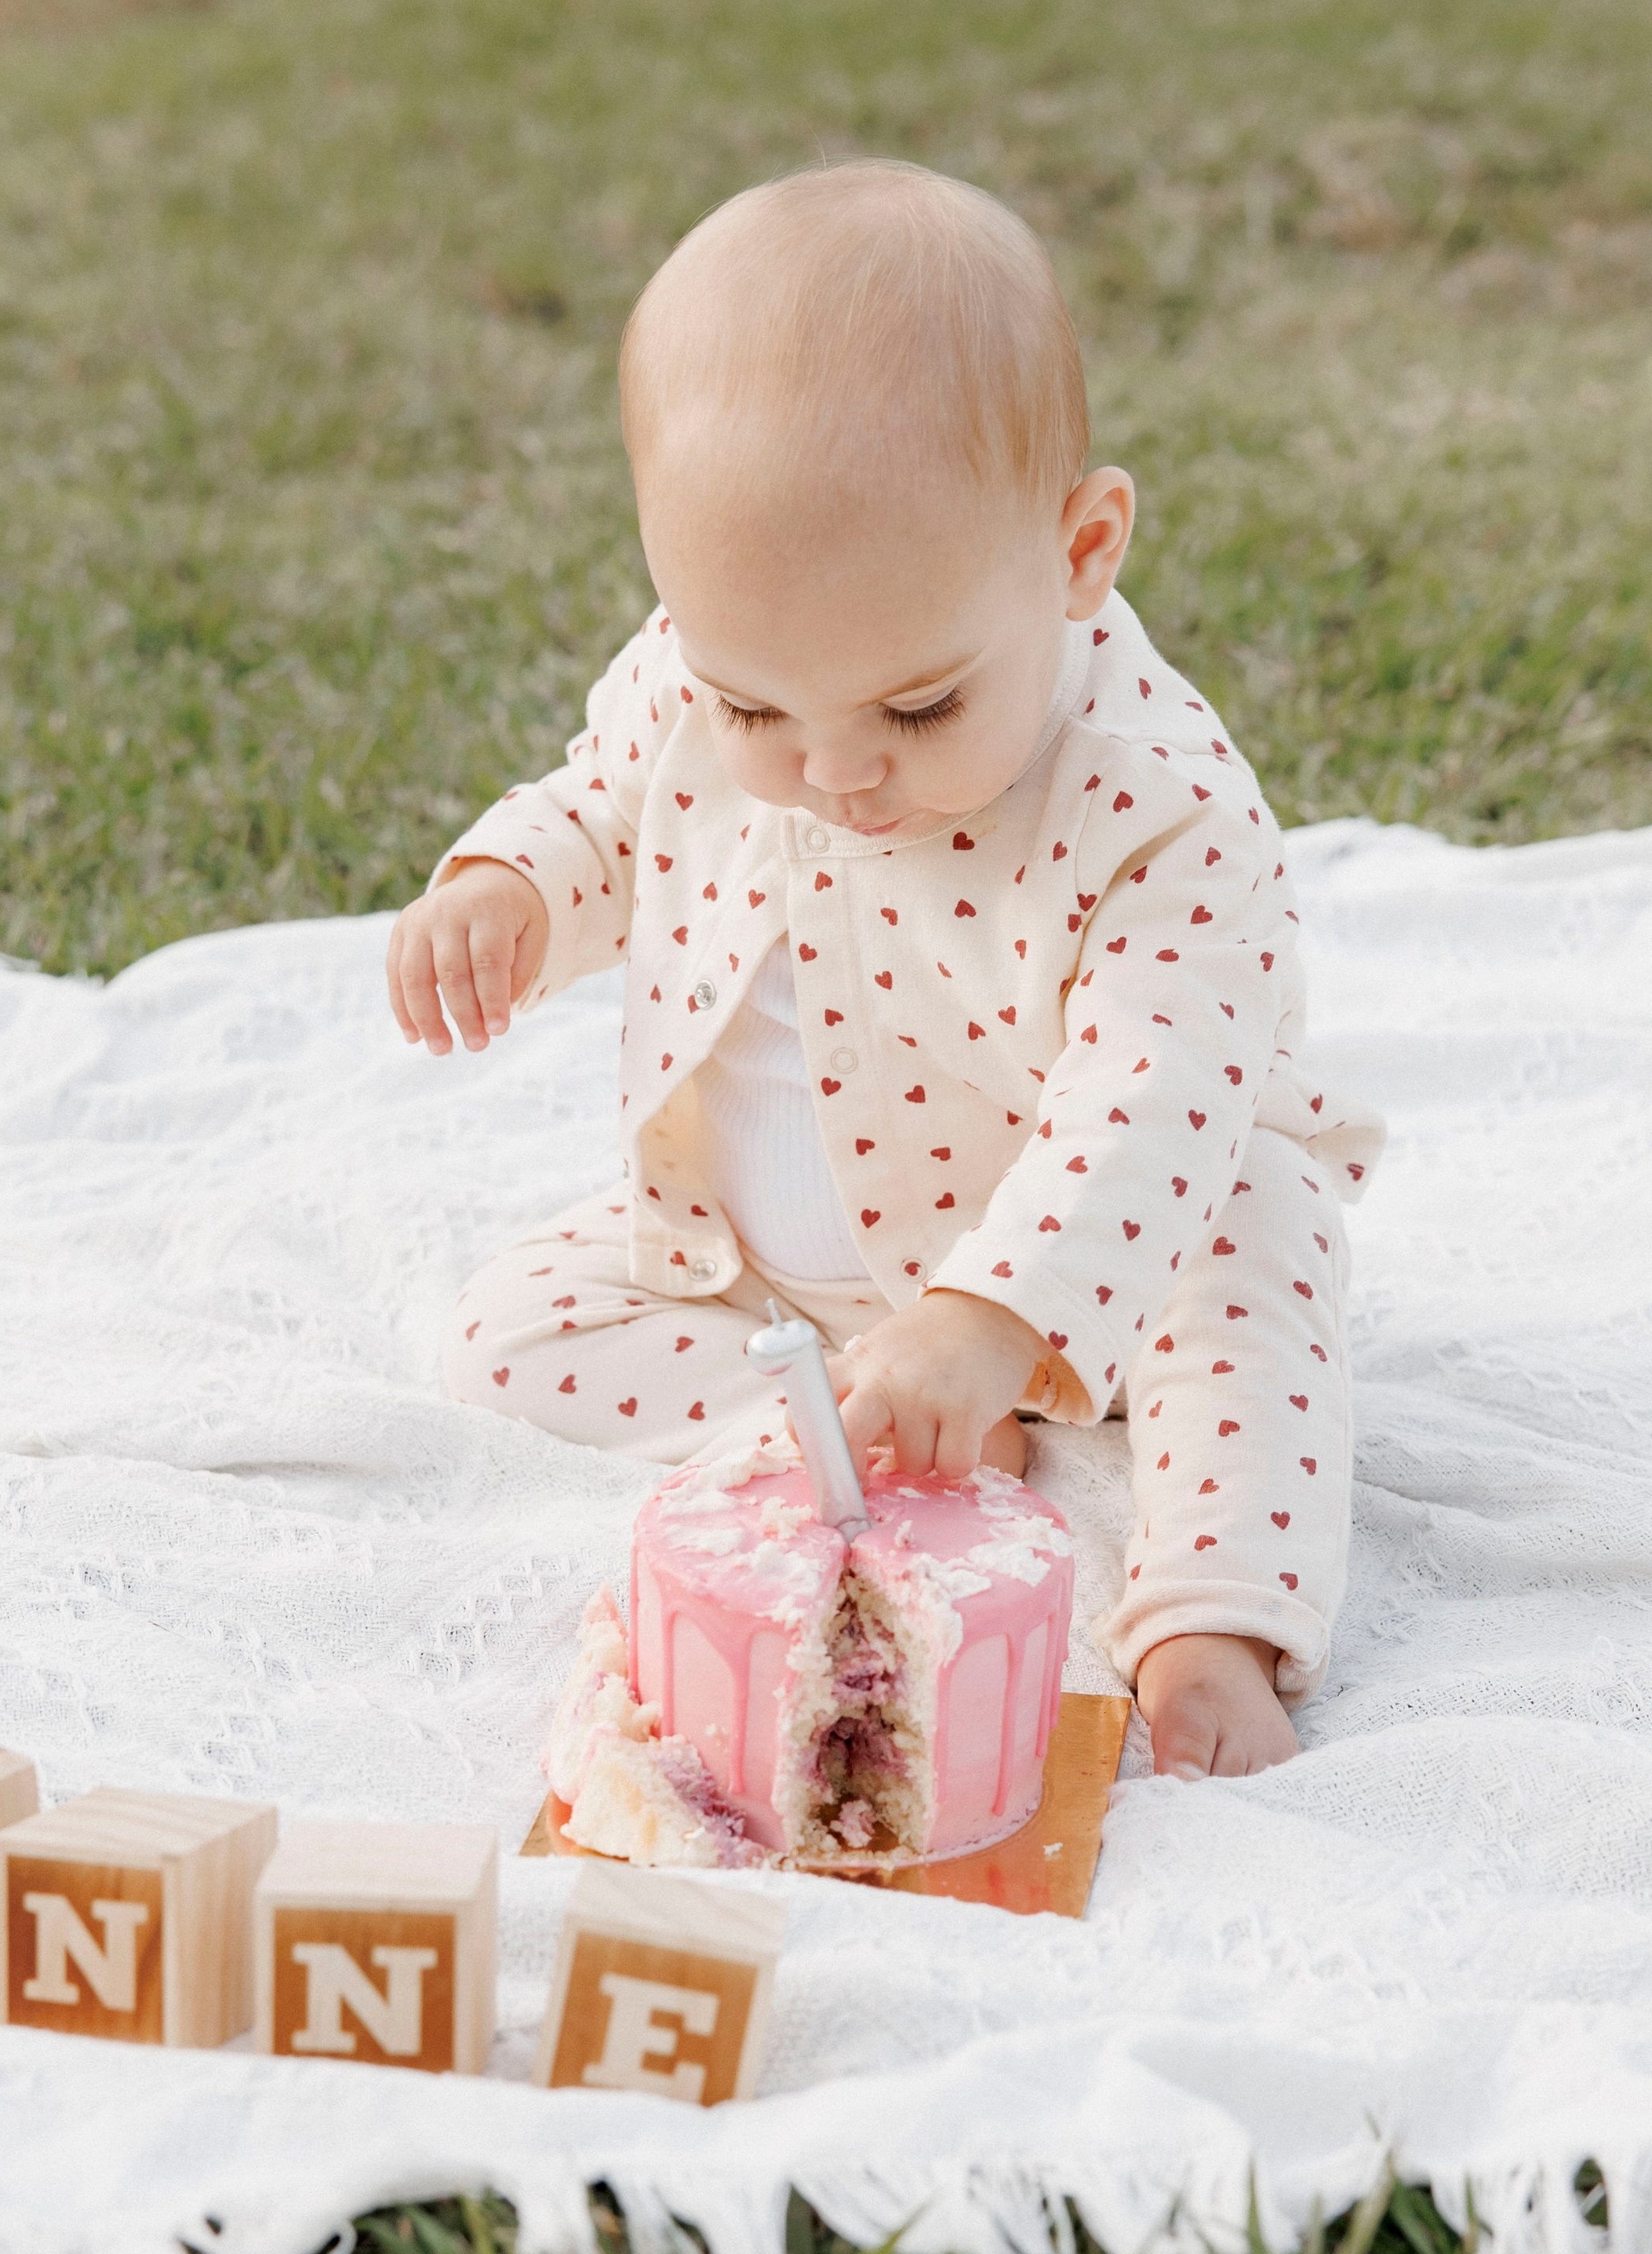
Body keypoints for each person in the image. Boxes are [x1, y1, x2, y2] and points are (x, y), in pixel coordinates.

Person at [388, 161, 1381, 1780]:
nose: (829, 771)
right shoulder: (711, 676)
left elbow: (1148, 1105)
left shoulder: (1158, 810)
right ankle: (884, 1431)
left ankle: (1212, 1615)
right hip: (772, 1279)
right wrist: (509, 881)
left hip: (1096, 1256)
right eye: (752, 708)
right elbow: (606, 802)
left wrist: (992, 1314)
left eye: (913, 712)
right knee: (502, 1334)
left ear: (1077, 551)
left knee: (1257, 1261)